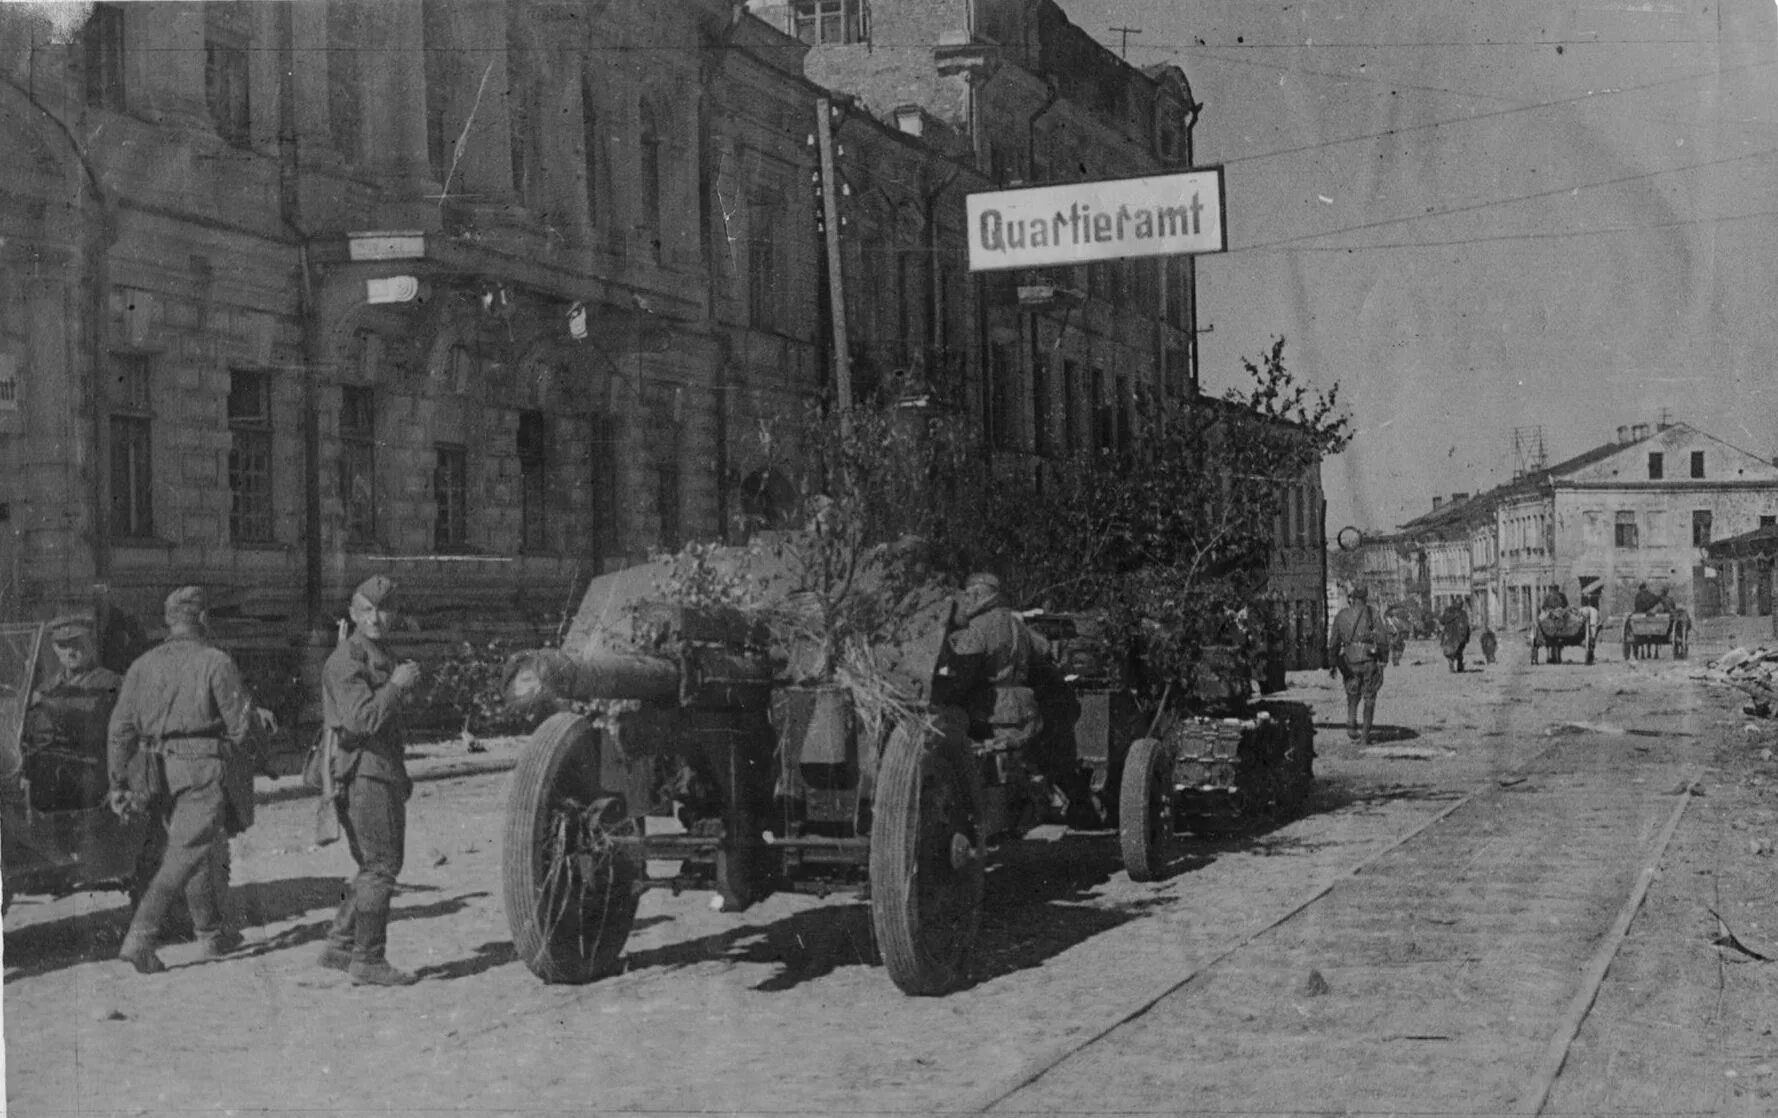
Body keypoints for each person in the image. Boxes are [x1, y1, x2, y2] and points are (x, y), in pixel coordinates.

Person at [107, 587, 262, 973]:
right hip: (200, 769)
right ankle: (139, 939)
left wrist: (118, 784)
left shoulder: (142, 664)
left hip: (155, 772)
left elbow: (120, 729)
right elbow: (241, 728)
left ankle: (211, 934)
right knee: (184, 853)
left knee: (192, 849)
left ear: (168, 622)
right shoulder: (215, 660)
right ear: (204, 619)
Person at [317, 575, 424, 987]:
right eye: (366, 610)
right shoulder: (346, 660)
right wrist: (396, 688)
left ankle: (341, 943)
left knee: (369, 867)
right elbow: (360, 721)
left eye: (383, 609)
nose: (375, 618)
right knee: (381, 867)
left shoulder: (381, 655)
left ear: (394, 613)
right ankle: (368, 958)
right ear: (352, 614)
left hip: (380, 771)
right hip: (363, 772)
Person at [936, 572, 1050, 752]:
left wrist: (942, 697)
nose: (966, 601)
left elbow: (962, 676)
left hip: (989, 712)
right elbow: (1043, 649)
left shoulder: (979, 627)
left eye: (968, 595)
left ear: (978, 595)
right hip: (1024, 708)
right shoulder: (1017, 624)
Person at [23, 615, 122, 807]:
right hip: (52, 775)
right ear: (54, 648)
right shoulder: (48, 687)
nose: (72, 651)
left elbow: (91, 716)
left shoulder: (109, 682)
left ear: (90, 643)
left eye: (78, 643)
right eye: (64, 645)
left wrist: (45, 702)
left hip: (90, 771)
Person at [1327, 585, 1387, 744]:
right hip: (1368, 661)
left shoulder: (1342, 615)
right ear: (1365, 598)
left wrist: (1332, 664)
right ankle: (1365, 737)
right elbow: (1381, 639)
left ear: (1351, 598)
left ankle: (1351, 725)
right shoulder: (1372, 613)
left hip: (1350, 661)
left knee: (1352, 693)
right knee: (1369, 698)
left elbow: (1333, 643)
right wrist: (1383, 659)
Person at [1439, 601, 1471, 672]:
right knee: (1459, 651)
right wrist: (1467, 636)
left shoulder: (1448, 611)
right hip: (1459, 637)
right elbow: (1466, 626)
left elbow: (1441, 621)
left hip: (1449, 636)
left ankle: (1453, 663)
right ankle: (1459, 665)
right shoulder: (1463, 613)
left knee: (1450, 652)